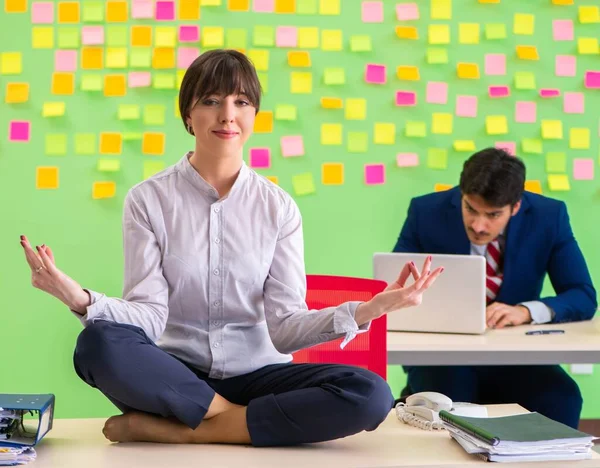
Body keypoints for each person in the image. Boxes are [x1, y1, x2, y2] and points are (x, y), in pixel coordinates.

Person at [19, 49, 443, 447]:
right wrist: (79, 299)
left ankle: (188, 433)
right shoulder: (148, 200)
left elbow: (285, 327)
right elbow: (147, 316)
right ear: (189, 114)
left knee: (370, 394)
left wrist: (369, 309)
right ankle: (230, 418)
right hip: (176, 378)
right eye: (211, 100)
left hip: (258, 375)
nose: (227, 115)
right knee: (97, 344)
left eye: (241, 102)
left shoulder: (278, 208)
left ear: (254, 114)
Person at [393, 147, 597, 429]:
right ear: (462, 195)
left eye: (492, 215)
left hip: (517, 356)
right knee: (449, 401)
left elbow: (582, 295)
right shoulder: (425, 211)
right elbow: (397, 290)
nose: (478, 225)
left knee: (563, 398)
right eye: (470, 209)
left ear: (516, 206)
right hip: (443, 356)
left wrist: (527, 311)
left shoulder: (549, 216)